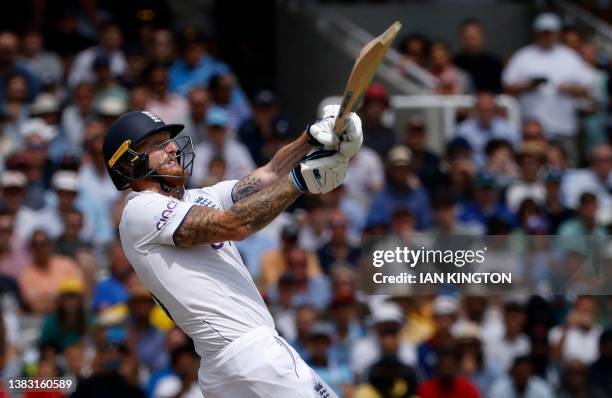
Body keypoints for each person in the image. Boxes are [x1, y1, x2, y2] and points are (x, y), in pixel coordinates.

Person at [103, 103, 364, 397]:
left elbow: (270, 172)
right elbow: (233, 225)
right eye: (157, 145)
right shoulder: (140, 209)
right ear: (127, 164)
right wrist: (301, 181)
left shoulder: (199, 197)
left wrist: (313, 139)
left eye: (170, 141)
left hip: (225, 366)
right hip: (251, 353)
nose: (173, 149)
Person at [502, 13, 592, 162]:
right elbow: (507, 86)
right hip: (531, 130)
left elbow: (586, 88)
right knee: (531, 167)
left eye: (550, 32)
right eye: (543, 32)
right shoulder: (523, 56)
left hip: (563, 128)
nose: (547, 36)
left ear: (557, 33)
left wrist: (568, 89)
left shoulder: (570, 57)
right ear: (536, 33)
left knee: (566, 168)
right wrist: (529, 86)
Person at [453, 19, 503, 93]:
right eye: (467, 38)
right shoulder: (453, 64)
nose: (471, 43)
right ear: (461, 39)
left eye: (474, 38)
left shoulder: (495, 64)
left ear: (482, 38)